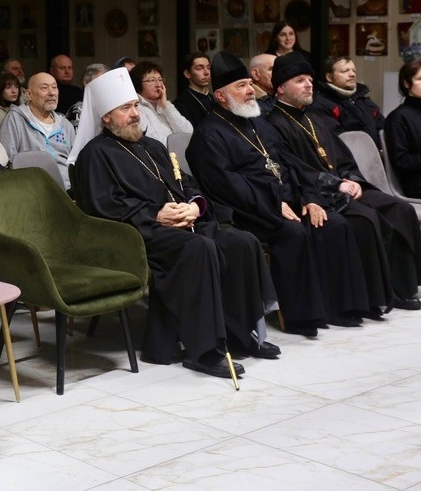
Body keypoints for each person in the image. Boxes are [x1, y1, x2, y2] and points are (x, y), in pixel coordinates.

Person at [74, 68, 279, 377]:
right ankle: (204, 351)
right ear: (106, 117)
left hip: (185, 224)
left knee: (242, 241)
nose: (135, 114)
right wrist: (154, 214)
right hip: (140, 236)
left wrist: (194, 207)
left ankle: (241, 334)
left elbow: (187, 184)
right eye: (126, 108)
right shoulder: (95, 155)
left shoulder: (153, 147)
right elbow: (103, 207)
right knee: (200, 248)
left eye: (135, 106)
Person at [187, 52, 370, 336]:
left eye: (250, 84)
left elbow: (293, 164)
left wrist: (310, 198)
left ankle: (340, 307)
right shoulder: (208, 134)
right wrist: (274, 204)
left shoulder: (258, 123)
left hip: (285, 200)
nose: (250, 90)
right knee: (293, 232)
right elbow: (229, 186)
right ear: (221, 96)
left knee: (332, 222)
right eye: (241, 86)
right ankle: (301, 317)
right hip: (249, 211)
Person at [266, 52, 421, 313]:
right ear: (281, 88)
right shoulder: (272, 124)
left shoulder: (314, 118)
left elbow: (342, 157)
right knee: (367, 219)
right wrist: (335, 184)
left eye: (310, 80)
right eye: (300, 81)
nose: (309, 85)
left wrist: (353, 178)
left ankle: (404, 288)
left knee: (400, 209)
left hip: (343, 185)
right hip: (318, 193)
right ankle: (376, 296)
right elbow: (292, 167)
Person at [0, 72, 75, 189]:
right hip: (31, 190)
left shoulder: (65, 125)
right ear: (29, 94)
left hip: (66, 191)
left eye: (54, 87)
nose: (52, 93)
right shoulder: (15, 119)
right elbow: (7, 160)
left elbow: (74, 162)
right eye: (44, 88)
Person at [309, 56, 385, 148]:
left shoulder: (363, 100)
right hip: (345, 155)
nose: (352, 74)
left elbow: (383, 128)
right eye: (345, 71)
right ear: (329, 77)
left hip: (373, 154)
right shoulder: (320, 103)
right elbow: (336, 138)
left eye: (354, 71)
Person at [131, 61, 193, 144]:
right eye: (152, 80)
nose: (158, 84)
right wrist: (177, 146)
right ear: (138, 84)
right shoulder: (137, 108)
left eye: (160, 80)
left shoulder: (165, 104)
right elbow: (152, 140)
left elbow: (188, 132)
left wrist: (166, 107)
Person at [386, 60, 421, 198]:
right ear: (406, 83)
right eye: (420, 79)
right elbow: (401, 161)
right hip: (415, 184)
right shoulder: (398, 117)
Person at [172, 52, 213, 126]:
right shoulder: (181, 104)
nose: (206, 72)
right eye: (199, 68)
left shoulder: (215, 99)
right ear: (187, 74)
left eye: (208, 68)